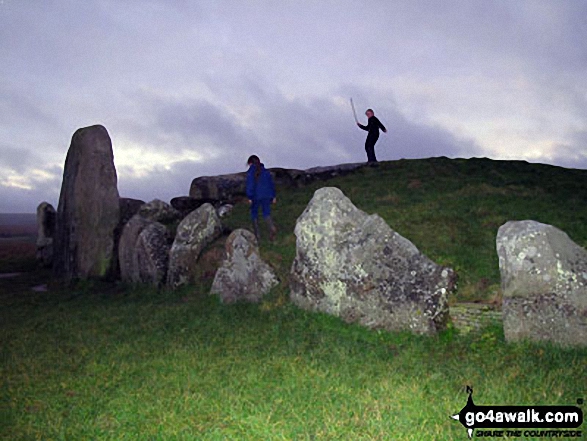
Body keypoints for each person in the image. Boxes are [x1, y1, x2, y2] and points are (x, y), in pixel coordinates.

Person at [246, 155, 277, 241]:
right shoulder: (266, 172)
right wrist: (273, 196)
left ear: (250, 163)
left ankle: (257, 236)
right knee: (266, 212)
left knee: (254, 213)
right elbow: (271, 184)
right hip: (267, 195)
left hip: (256, 196)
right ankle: (271, 227)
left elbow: (250, 185)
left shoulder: (250, 172)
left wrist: (250, 196)